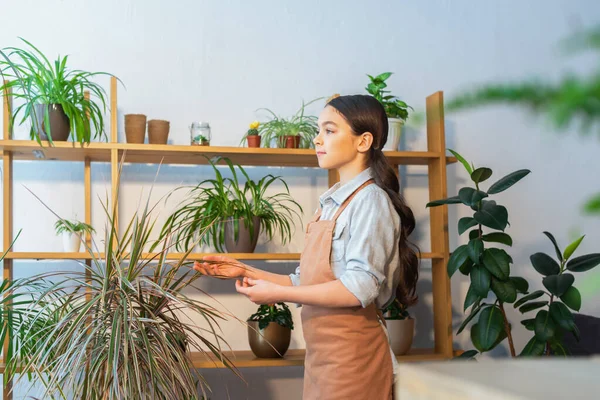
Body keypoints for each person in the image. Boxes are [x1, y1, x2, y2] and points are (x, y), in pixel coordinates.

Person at [194, 94, 419, 400]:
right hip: (323, 362)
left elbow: (359, 287)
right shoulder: (331, 204)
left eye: (329, 130)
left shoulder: (371, 201)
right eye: (318, 130)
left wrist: (279, 294)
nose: (317, 139)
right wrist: (243, 269)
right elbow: (306, 280)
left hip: (355, 361)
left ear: (363, 141)